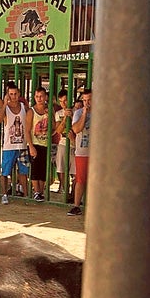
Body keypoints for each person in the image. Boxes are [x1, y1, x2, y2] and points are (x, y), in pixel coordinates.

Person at [0, 83, 29, 204]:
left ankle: (26, 195)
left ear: (19, 94)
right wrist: (4, 104)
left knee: (24, 172)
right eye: (11, 94)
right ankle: (4, 194)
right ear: (7, 95)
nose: (13, 96)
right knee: (5, 172)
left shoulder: (24, 107)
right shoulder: (6, 108)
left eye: (15, 94)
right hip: (8, 146)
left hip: (23, 145)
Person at [68, 88, 92, 216]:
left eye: (89, 100)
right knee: (80, 179)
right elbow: (76, 129)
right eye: (85, 100)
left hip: (96, 153)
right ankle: (76, 205)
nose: (87, 103)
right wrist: (84, 113)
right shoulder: (78, 113)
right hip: (82, 151)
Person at [25, 86, 50, 201]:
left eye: (41, 96)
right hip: (35, 143)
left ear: (45, 97)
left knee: (43, 169)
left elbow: (54, 126)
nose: (39, 99)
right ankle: (36, 191)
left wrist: (49, 115)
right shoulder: (31, 111)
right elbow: (27, 130)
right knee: (35, 168)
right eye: (37, 96)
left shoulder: (49, 110)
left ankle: (41, 191)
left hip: (45, 143)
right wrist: (30, 146)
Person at [54, 89, 76, 198]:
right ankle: (64, 189)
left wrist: (71, 116)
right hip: (63, 142)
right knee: (61, 168)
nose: (64, 103)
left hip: (75, 143)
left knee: (75, 171)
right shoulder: (58, 113)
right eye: (61, 101)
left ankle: (73, 193)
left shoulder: (76, 111)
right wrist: (65, 119)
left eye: (66, 100)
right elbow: (58, 130)